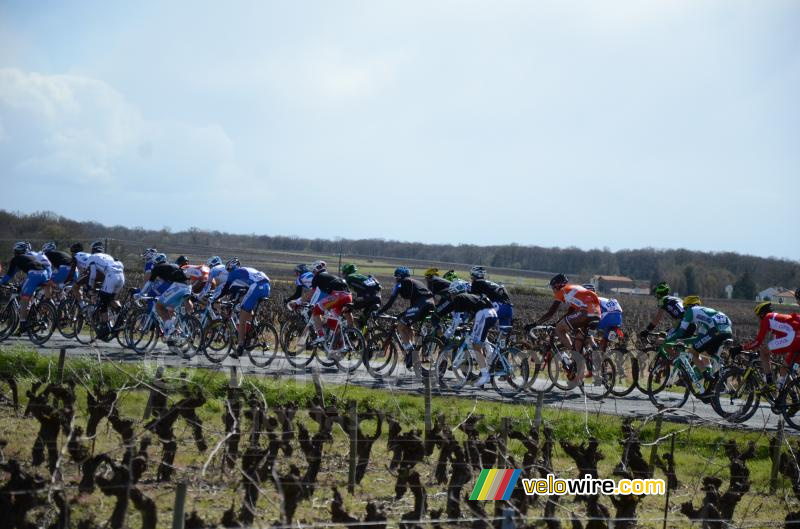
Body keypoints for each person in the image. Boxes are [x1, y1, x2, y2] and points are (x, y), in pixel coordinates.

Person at [432, 281, 498, 387]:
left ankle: (485, 375)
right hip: (492, 313)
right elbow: (468, 316)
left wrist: (447, 335)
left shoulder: (459, 298)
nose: (451, 297)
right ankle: (491, 357)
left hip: (483, 314)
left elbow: (457, 320)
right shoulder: (469, 297)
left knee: (476, 346)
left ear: (454, 293)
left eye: (451, 294)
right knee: (478, 342)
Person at [376, 267, 435, 369]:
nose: (395, 280)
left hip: (422, 304)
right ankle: (411, 352)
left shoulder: (401, 283)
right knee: (407, 325)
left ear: (399, 277)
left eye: (396, 278)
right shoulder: (412, 282)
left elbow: (390, 302)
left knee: (400, 326)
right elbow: (413, 305)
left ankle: (411, 352)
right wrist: (403, 313)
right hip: (429, 303)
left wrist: (379, 312)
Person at [666, 296, 732, 383]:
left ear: (687, 307)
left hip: (716, 330)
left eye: (685, 310)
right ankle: (714, 379)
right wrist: (684, 341)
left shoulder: (690, 311)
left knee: (692, 352)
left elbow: (680, 333)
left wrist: (667, 340)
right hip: (727, 330)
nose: (685, 312)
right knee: (705, 352)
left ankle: (706, 376)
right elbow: (699, 338)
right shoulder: (702, 315)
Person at [534, 274, 601, 356]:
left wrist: (535, 324)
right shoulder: (574, 288)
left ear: (557, 286)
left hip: (585, 311)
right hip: (597, 312)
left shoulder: (562, 291)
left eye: (553, 288)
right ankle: (592, 356)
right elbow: (570, 312)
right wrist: (558, 322)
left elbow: (550, 313)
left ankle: (576, 356)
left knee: (559, 330)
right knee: (580, 336)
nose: (553, 291)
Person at [216, 258, 271, 358]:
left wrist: (216, 298)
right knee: (246, 309)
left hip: (257, 287)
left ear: (231, 268)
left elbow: (225, 289)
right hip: (266, 286)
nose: (228, 273)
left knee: (242, 317)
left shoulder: (234, 272)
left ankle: (240, 347)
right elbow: (243, 288)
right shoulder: (245, 270)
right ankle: (255, 326)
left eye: (228, 270)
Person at [743, 302, 800, 390]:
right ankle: (786, 395)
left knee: (763, 351)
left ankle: (769, 382)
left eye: (758, 317)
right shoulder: (779, 319)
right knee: (784, 368)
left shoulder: (767, 318)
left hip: (792, 338)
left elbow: (758, 342)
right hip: (796, 340)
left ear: (762, 314)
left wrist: (742, 347)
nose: (759, 320)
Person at [139, 253, 190, 343]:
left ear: (155, 262)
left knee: (159, 307)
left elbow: (149, 283)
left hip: (177, 286)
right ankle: (177, 331)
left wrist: (140, 294)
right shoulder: (171, 266)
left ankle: (170, 329)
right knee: (170, 309)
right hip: (186, 287)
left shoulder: (157, 268)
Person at [0, 242, 48, 333]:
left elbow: (9, 275)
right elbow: (16, 271)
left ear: (16, 252)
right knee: (28, 292)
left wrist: (2, 282)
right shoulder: (28, 258)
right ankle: (33, 312)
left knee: (24, 298)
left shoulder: (16, 259)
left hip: (34, 275)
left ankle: (22, 324)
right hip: (44, 274)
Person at [84, 240, 126, 339]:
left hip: (111, 277)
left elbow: (93, 275)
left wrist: (90, 288)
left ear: (92, 250)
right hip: (121, 277)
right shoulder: (108, 256)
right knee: (111, 298)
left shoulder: (92, 258)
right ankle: (121, 315)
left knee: (103, 301)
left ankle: (105, 326)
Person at [307, 260, 353, 345]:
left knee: (316, 310)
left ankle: (321, 336)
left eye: (313, 270)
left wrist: (298, 302)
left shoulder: (318, 276)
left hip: (338, 296)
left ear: (316, 269)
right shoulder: (330, 276)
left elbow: (311, 292)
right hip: (348, 296)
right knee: (332, 322)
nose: (312, 273)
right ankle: (340, 346)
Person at [583, 283, 623, 353]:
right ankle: (604, 351)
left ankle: (594, 346)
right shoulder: (601, 299)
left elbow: (591, 316)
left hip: (608, 317)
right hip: (618, 318)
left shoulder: (591, 300)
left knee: (586, 330)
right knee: (605, 338)